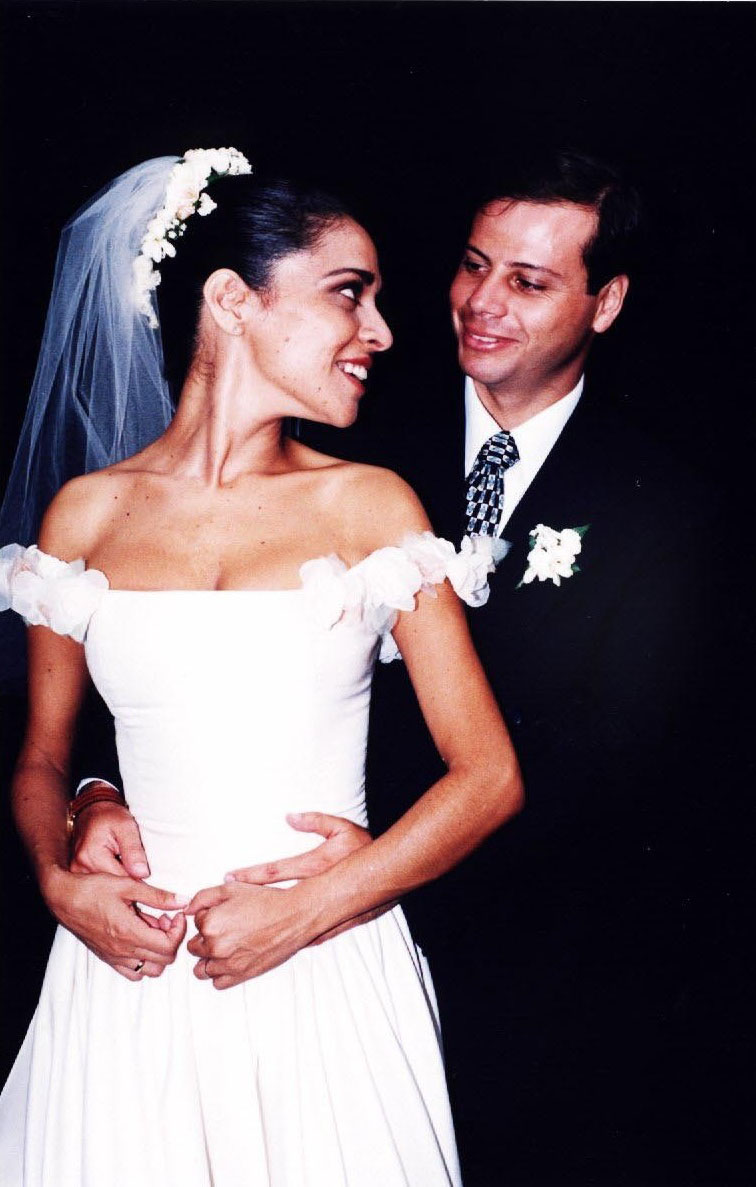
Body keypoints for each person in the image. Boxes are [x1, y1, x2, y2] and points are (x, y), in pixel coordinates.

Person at [63, 148, 714, 1183]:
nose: (482, 303)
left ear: (606, 302)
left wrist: (356, 889)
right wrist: (95, 791)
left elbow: (610, 779)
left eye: (529, 281)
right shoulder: (348, 425)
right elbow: (168, 651)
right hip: (232, 936)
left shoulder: (666, 505)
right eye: (473, 265)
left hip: (517, 983)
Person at [0, 149, 524, 1186]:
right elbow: (42, 759)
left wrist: (309, 910)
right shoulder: (85, 516)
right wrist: (60, 879)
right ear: (234, 301)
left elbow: (489, 776)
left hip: (322, 969)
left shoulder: (370, 505)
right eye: (348, 292)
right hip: (128, 976)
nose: (380, 330)